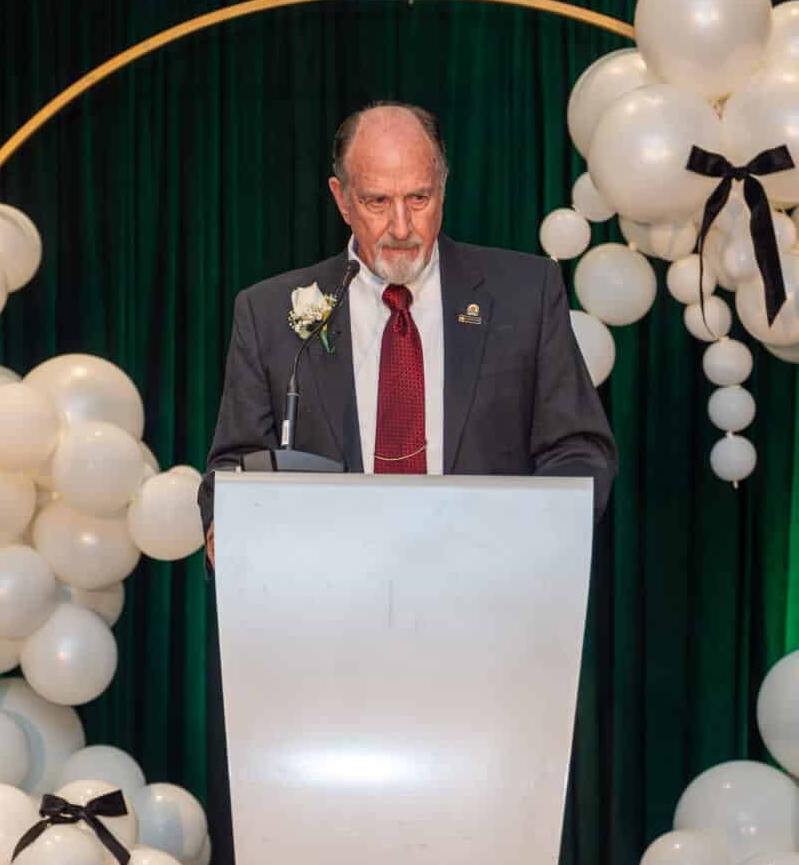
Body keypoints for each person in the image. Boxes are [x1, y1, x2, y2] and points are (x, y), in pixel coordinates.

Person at [198, 102, 617, 558]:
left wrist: (529, 541)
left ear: (443, 187)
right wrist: (227, 525)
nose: (401, 227)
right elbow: (234, 466)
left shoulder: (525, 294)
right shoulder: (267, 313)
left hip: (488, 580)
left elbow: (579, 450)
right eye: (377, 201)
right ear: (342, 199)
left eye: (419, 198)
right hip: (328, 585)